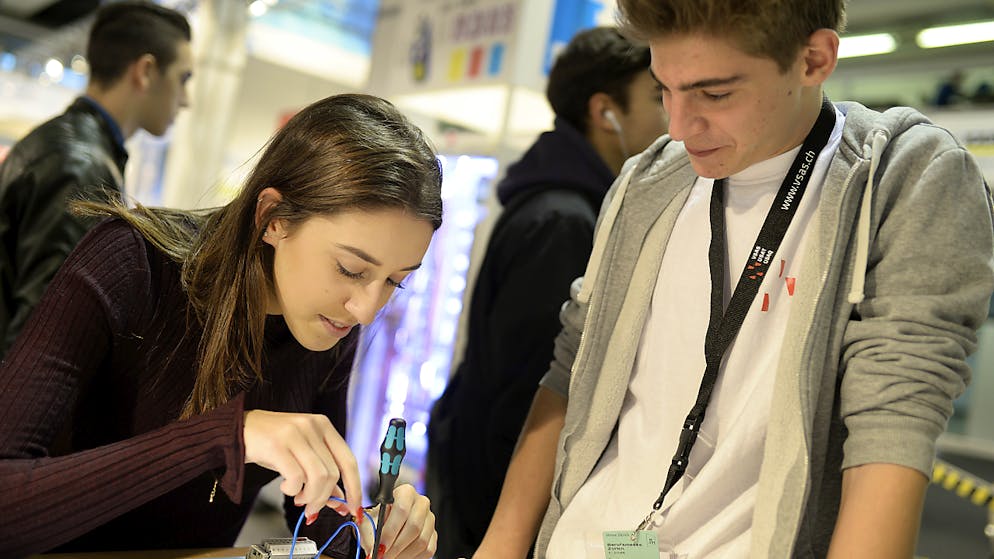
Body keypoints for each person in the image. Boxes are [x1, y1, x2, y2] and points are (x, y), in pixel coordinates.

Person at [473, 1, 994, 558]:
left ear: (814, 59)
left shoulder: (904, 178)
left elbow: (894, 418)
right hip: (590, 543)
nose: (679, 126)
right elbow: (572, 366)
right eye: (664, 90)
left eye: (715, 94)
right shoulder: (646, 180)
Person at [0, 93, 441, 559]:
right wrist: (224, 439)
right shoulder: (129, 264)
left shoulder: (332, 321)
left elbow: (316, 506)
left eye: (395, 281)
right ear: (272, 218)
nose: (366, 310)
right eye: (350, 269)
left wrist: (369, 529)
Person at [425, 26, 666, 559]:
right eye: (657, 96)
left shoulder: (559, 202)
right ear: (605, 111)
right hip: (498, 504)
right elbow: (530, 390)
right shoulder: (564, 221)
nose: (671, 115)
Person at [0, 0, 193, 353]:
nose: (186, 100)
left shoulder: (68, 146)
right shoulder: (79, 165)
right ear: (146, 71)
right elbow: (43, 335)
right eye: (183, 79)